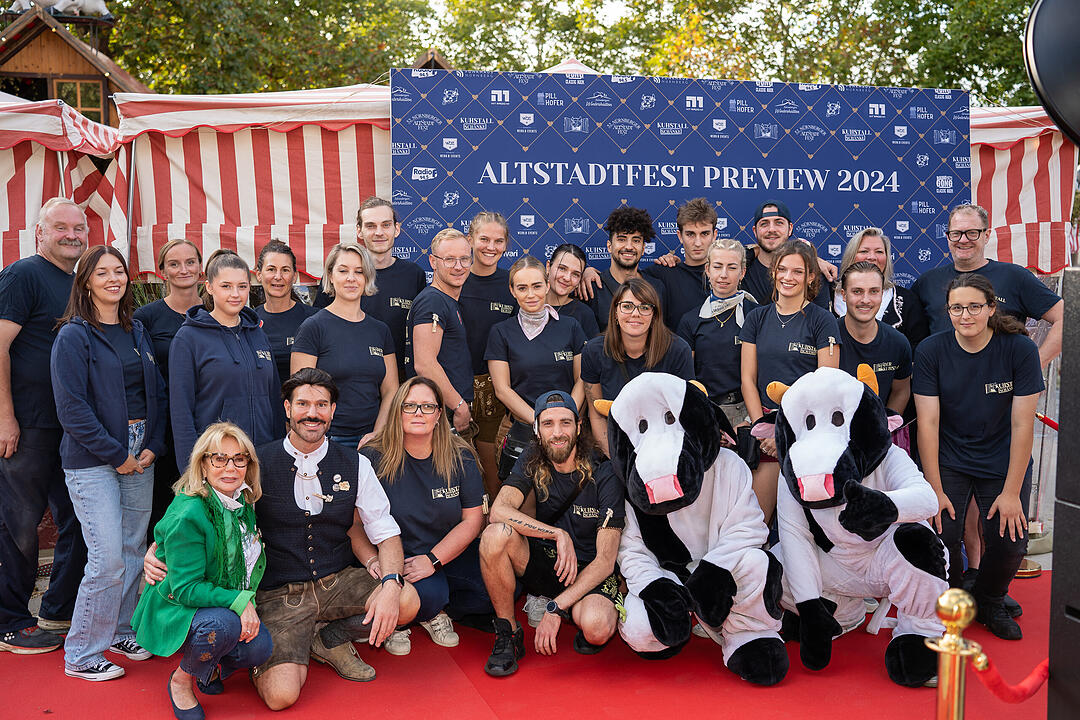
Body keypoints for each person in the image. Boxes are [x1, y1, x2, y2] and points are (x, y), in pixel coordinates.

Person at [145, 368, 419, 709]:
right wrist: (159, 549)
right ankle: (295, 643)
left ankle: (329, 638)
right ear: (287, 408)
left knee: (406, 600)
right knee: (280, 697)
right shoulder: (255, 463)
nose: (312, 413)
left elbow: (386, 531)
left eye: (322, 404)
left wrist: (391, 583)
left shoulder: (356, 463)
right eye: (303, 403)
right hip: (278, 595)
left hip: (337, 582)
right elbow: (205, 505)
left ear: (333, 410)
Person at [51, 245, 167, 680]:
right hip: (93, 458)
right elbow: (72, 409)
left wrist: (152, 443)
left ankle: (121, 629)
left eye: (119, 271)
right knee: (106, 559)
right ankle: (81, 653)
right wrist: (117, 455)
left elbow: (154, 392)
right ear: (86, 283)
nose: (113, 279)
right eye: (103, 273)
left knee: (133, 549)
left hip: (141, 452)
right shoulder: (73, 335)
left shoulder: (135, 329)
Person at [914, 274, 1043, 641]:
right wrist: (934, 489)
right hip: (950, 458)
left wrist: (1011, 492)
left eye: (974, 306)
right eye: (957, 307)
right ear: (948, 311)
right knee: (943, 533)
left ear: (990, 308)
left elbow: (1022, 426)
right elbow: (928, 423)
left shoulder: (1019, 349)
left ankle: (989, 598)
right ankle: (956, 598)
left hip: (1002, 458)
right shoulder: (930, 351)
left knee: (1009, 538)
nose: (965, 315)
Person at [133, 423, 272, 720]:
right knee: (222, 627)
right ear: (203, 464)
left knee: (260, 647)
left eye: (239, 459)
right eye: (219, 458)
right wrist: (241, 601)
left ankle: (207, 667)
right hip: (176, 604)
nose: (230, 467)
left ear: (248, 464)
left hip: (212, 598)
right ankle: (182, 680)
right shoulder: (191, 512)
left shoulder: (241, 499)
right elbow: (186, 588)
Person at [478, 392, 624, 676]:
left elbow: (606, 561)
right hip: (549, 561)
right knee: (494, 535)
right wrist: (557, 534)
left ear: (579, 426)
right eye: (548, 424)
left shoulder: (605, 472)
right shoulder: (532, 458)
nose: (557, 433)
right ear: (537, 429)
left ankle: (568, 607)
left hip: (588, 570)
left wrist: (556, 608)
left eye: (565, 423)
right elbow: (498, 510)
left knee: (597, 628)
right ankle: (508, 634)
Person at [0, 197, 88, 653]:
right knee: (19, 523)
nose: (71, 234)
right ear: (40, 232)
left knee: (77, 518)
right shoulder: (23, 274)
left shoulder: (75, 282)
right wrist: (5, 416)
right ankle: (10, 621)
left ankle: (55, 610)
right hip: (28, 426)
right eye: (61, 227)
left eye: (79, 227)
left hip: (68, 429)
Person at [356, 377, 490, 656]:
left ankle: (425, 609)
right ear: (397, 411)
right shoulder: (373, 456)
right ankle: (410, 616)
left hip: (442, 554)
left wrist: (433, 560)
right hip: (390, 558)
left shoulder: (461, 456)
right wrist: (372, 560)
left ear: (440, 414)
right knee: (429, 595)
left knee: (491, 595)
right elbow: (354, 526)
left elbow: (472, 521)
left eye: (427, 406)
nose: (419, 413)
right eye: (410, 406)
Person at [740, 240, 841, 522]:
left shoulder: (823, 321)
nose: (788, 277)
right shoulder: (756, 318)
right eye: (782, 269)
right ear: (773, 272)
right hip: (766, 435)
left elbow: (826, 384)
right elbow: (748, 379)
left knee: (808, 527)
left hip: (808, 433)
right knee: (756, 526)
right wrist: (764, 428)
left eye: (797, 271)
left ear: (811, 276)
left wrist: (785, 431)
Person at [911, 203, 1062, 367]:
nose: (963, 240)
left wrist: (1034, 365)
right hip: (943, 388)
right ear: (948, 236)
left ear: (987, 235)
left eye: (972, 233)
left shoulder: (1015, 277)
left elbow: (1064, 317)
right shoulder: (926, 282)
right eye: (956, 234)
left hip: (1001, 387)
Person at [169, 250, 283, 466]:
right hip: (218, 460)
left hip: (263, 457)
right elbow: (181, 411)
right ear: (210, 287)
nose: (235, 294)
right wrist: (190, 468)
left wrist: (278, 453)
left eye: (242, 286)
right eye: (226, 286)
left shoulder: (258, 333)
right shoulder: (188, 338)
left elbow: (274, 401)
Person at [486, 256, 587, 490]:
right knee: (521, 501)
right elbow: (502, 389)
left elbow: (583, 379)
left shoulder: (570, 326)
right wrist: (540, 422)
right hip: (521, 429)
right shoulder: (501, 332)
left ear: (547, 285)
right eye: (522, 288)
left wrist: (564, 420)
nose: (531, 294)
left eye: (537, 286)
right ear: (512, 291)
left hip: (566, 431)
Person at [291, 242, 397, 449]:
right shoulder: (313, 327)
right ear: (330, 276)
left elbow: (391, 389)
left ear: (367, 277)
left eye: (359, 272)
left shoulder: (380, 330)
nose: (351, 278)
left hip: (374, 440)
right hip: (328, 439)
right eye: (343, 271)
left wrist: (378, 433)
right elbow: (300, 392)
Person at [134, 239, 205, 538]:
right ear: (162, 271)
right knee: (164, 507)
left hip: (208, 420)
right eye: (174, 264)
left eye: (190, 262)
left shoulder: (220, 310)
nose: (183, 269)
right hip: (164, 429)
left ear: (201, 269)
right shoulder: (146, 318)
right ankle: (163, 578)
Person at [314, 197, 427, 380]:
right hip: (347, 380)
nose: (379, 232)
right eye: (370, 226)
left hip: (401, 381)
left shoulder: (414, 275)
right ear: (359, 230)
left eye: (386, 225)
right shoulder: (340, 278)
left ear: (396, 229)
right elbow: (320, 331)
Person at [582, 278, 694, 458]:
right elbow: (596, 416)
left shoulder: (678, 350)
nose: (635, 313)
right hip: (614, 449)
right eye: (627, 306)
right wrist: (620, 462)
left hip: (665, 449)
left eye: (644, 307)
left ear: (654, 315)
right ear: (615, 313)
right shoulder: (594, 351)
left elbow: (686, 414)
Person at [458, 212, 517, 492]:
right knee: (455, 465)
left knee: (492, 467)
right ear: (470, 239)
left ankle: (491, 528)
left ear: (506, 244)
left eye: (498, 240)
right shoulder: (454, 279)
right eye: (484, 239)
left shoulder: (512, 284)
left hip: (497, 389)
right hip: (454, 387)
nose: (490, 247)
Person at [675, 238, 758, 429]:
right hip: (705, 413)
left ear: (742, 272)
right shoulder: (691, 320)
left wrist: (749, 420)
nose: (723, 274)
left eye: (731, 267)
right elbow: (686, 380)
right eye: (718, 266)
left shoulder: (756, 315)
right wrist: (705, 420)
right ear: (707, 270)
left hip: (747, 413)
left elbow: (764, 372)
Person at [405, 228, 474, 434]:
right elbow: (425, 364)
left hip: (446, 411)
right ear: (433, 262)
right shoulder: (433, 301)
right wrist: (459, 406)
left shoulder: (446, 301)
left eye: (464, 259)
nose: (458, 266)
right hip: (441, 415)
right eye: (449, 259)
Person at [835, 262, 912, 415]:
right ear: (843, 295)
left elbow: (901, 391)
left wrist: (884, 426)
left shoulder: (898, 343)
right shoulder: (827, 337)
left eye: (873, 291)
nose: (866, 300)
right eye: (857, 291)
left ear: (882, 294)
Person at [835, 227, 927, 348]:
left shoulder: (907, 300)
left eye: (879, 252)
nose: (872, 257)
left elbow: (918, 349)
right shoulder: (827, 295)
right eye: (864, 251)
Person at [584, 207, 671, 331]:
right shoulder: (592, 289)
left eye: (636, 240)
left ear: (643, 248)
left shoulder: (657, 287)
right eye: (621, 239)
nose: (629, 247)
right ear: (609, 246)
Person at [741, 200, 833, 310]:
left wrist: (812, 259)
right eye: (764, 224)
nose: (771, 229)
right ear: (755, 231)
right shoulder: (741, 270)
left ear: (790, 229)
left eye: (779, 223)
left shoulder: (812, 272)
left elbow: (821, 320)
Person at [643, 197, 717, 324]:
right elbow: (625, 279)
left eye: (704, 234)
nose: (698, 243)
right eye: (690, 234)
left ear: (714, 235)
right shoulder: (663, 273)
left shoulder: (729, 275)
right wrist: (595, 274)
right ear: (680, 236)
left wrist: (754, 249)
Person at [254, 241, 317, 384]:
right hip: (262, 405)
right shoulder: (249, 322)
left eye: (285, 270)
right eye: (271, 269)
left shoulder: (314, 319)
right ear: (259, 274)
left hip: (302, 404)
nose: (278, 276)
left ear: (294, 276)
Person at [545, 243, 600, 337]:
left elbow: (592, 351)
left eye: (575, 274)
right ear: (548, 267)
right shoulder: (528, 304)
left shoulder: (585, 314)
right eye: (562, 268)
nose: (567, 278)